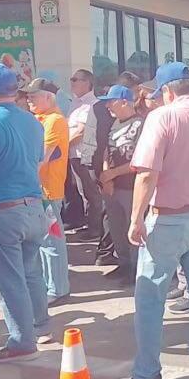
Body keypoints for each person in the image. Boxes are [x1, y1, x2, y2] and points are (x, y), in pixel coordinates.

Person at [116, 62, 189, 379]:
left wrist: (135, 218)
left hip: (168, 218)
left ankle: (147, 377)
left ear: (167, 91)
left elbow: (147, 174)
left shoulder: (162, 117)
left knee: (151, 297)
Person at [0, 63, 52, 363]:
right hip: (33, 206)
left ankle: (22, 341)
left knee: (9, 281)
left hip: (5, 210)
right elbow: (37, 160)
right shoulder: (32, 121)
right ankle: (40, 326)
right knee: (31, 272)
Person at [21, 78, 71, 304]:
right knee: (43, 241)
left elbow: (42, 158)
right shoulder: (39, 119)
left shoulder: (55, 121)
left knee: (51, 241)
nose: (29, 99)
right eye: (28, 95)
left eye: (34, 95)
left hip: (47, 191)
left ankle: (58, 288)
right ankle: (48, 285)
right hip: (38, 190)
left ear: (49, 97)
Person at [97, 85, 144, 284]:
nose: (108, 105)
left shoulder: (141, 124)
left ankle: (136, 269)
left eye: (111, 101)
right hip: (113, 186)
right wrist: (107, 176)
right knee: (116, 229)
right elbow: (107, 150)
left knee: (132, 229)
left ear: (125, 102)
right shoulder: (115, 123)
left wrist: (112, 174)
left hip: (132, 186)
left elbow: (140, 160)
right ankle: (124, 264)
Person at [79, 82, 118, 266]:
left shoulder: (96, 107)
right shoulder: (105, 110)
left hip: (93, 162)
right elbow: (104, 141)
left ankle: (105, 252)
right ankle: (105, 252)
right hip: (102, 165)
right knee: (108, 209)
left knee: (105, 208)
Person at [67, 69, 103, 240]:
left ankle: (96, 229)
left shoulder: (91, 104)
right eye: (72, 79)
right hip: (73, 154)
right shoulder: (75, 103)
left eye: (76, 79)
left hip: (84, 155)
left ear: (87, 83)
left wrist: (61, 145)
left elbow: (81, 132)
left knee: (91, 192)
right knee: (82, 191)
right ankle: (89, 224)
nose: (72, 83)